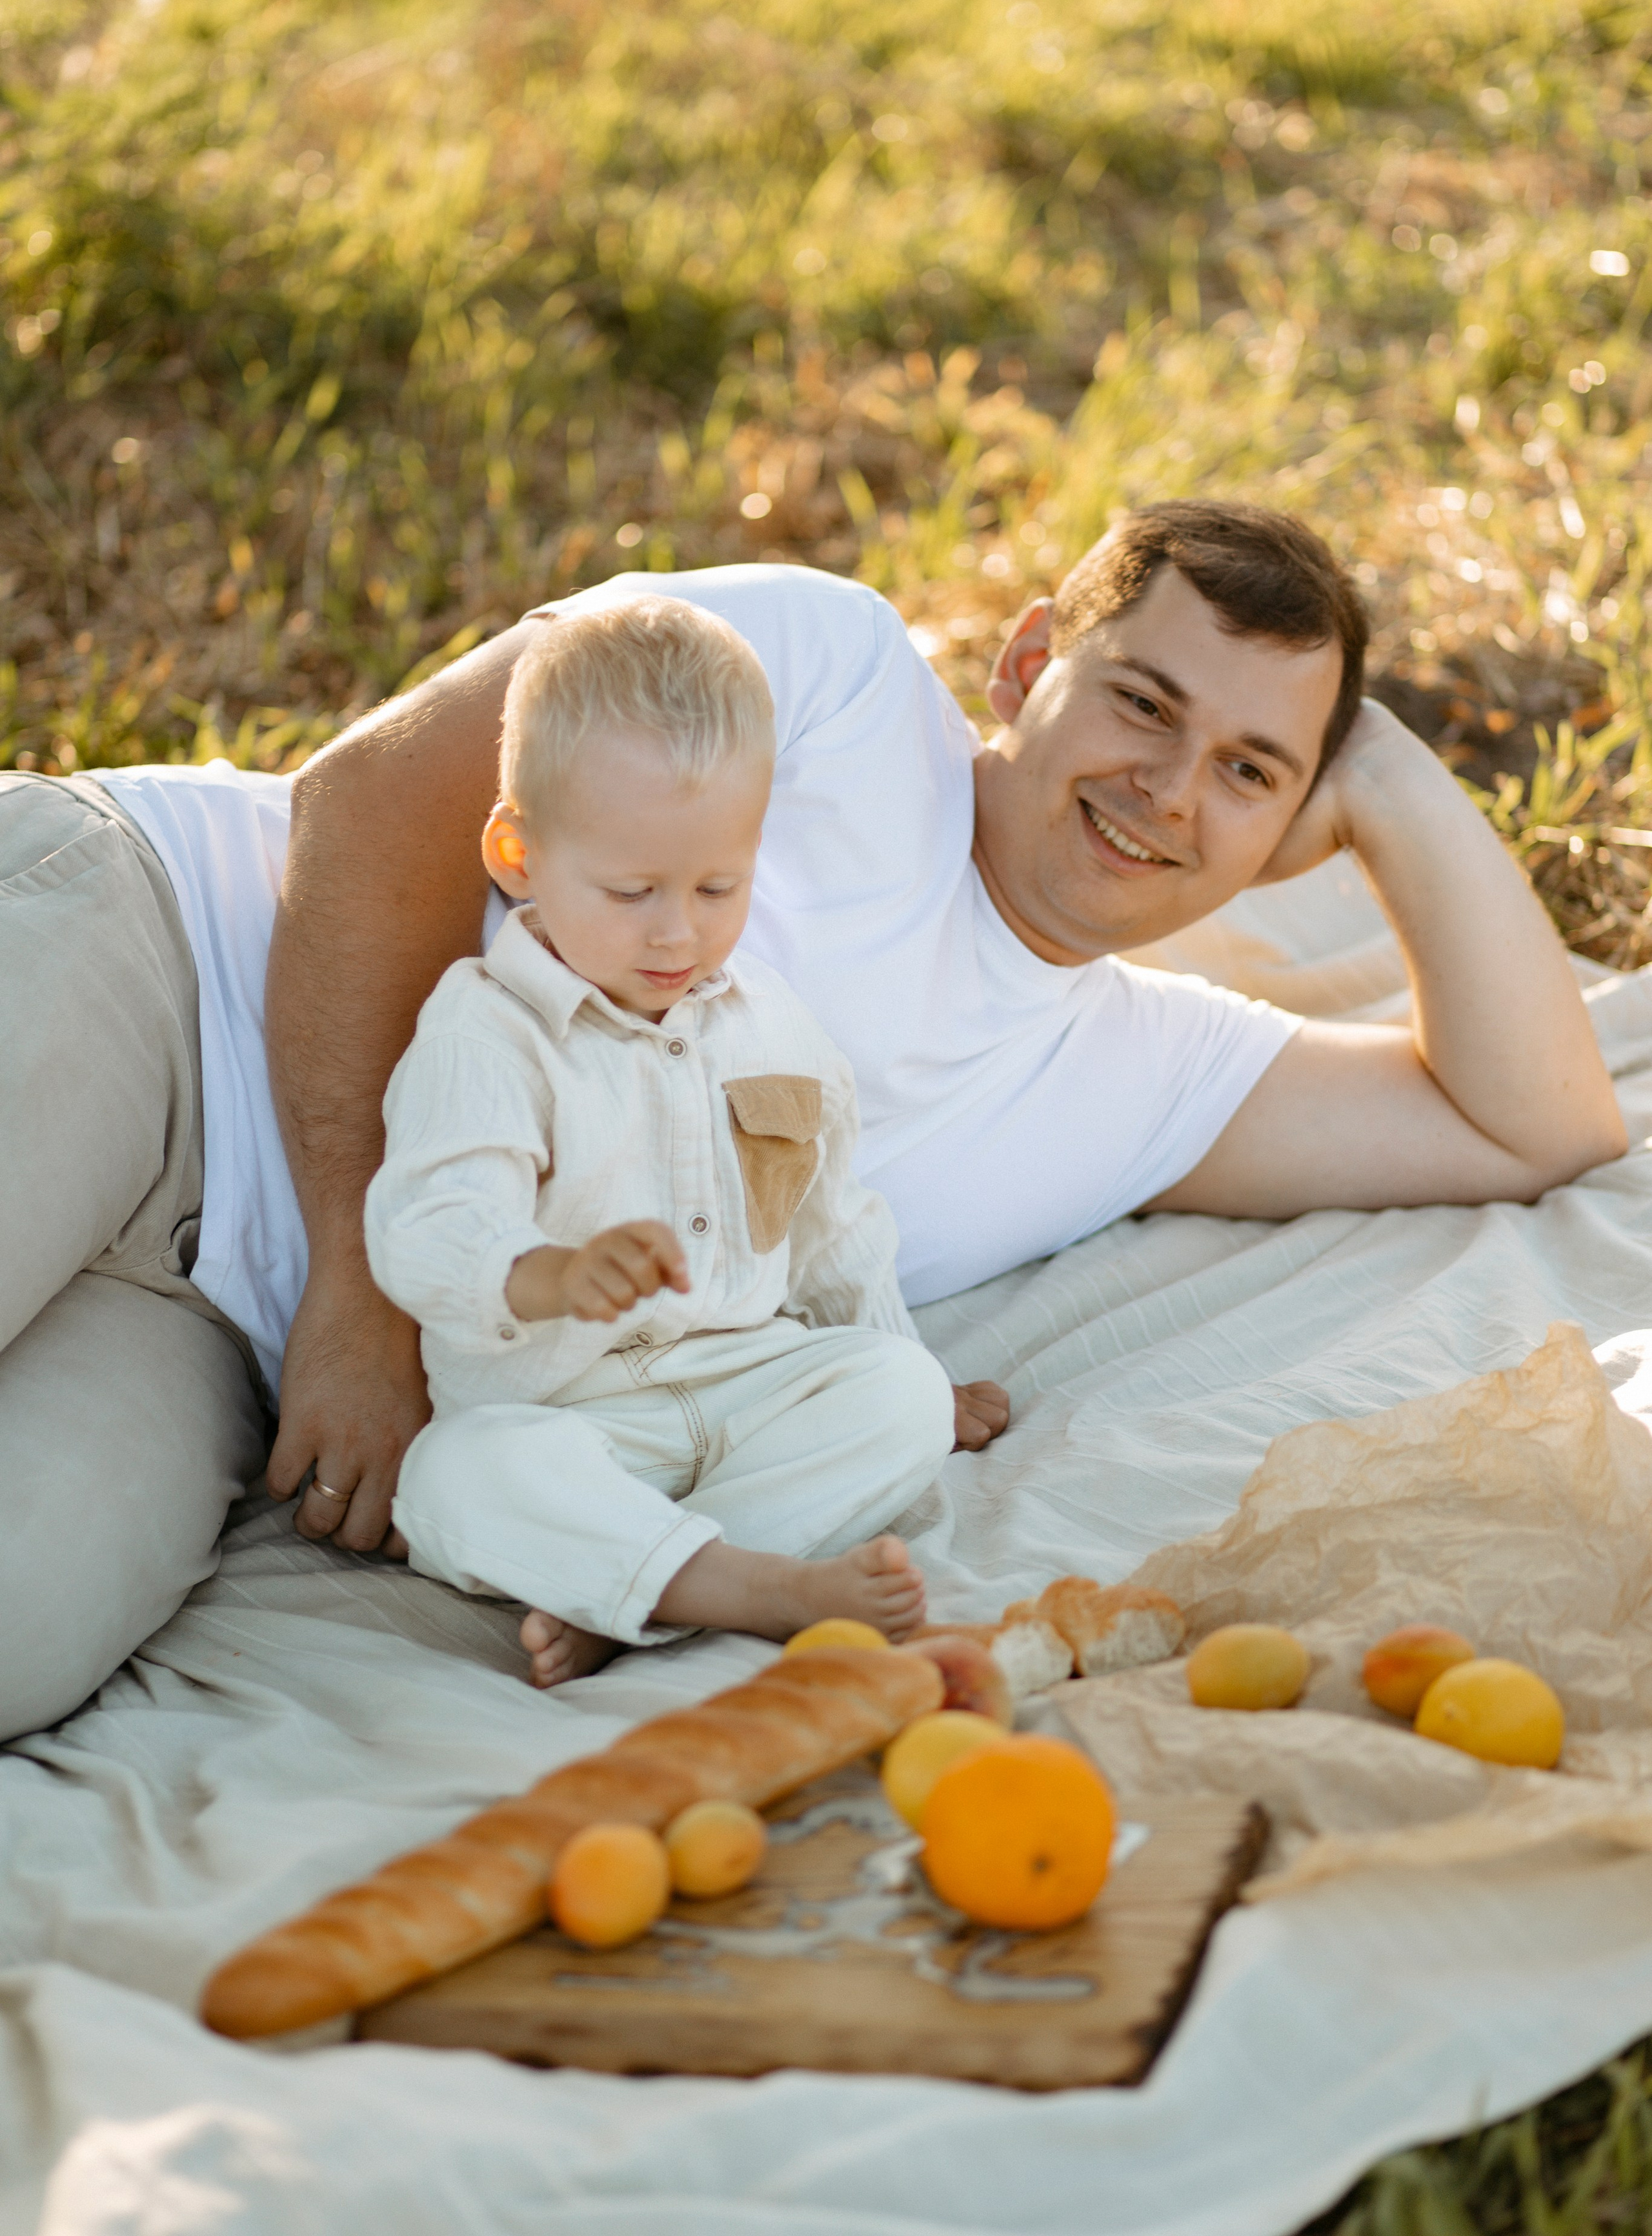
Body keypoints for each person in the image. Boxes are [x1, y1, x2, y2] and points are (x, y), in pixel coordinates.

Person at [0, 500, 1624, 1738]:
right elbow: (364, 806)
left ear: (1288, 827)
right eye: (1140, 703)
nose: (1169, 791)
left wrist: (1390, 776)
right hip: (166, 970)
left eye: (1250, 771)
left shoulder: (1147, 1078)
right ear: (1023, 667)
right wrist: (359, 1278)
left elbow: (1531, 1123)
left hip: (215, 1322)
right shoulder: (828, 677)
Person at [365, 593, 960, 1684]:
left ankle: (639, 1590)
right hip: (571, 1419)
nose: (679, 930)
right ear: (517, 853)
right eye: (632, 890)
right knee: (450, 1480)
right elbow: (426, 1228)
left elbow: (833, 1230)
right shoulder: (485, 1031)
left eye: (718, 885)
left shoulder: (770, 1021)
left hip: (749, 1386)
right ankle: (747, 1584)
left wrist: (911, 1368)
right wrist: (549, 1274)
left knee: (902, 1400)